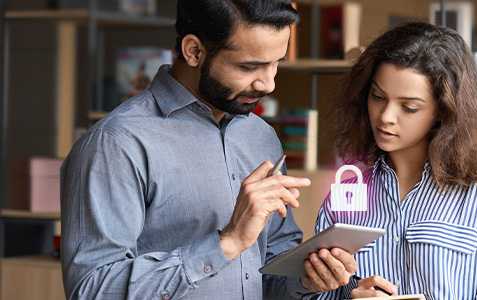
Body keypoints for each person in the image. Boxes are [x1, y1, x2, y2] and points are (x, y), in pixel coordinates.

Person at [60, 1, 357, 299]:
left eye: (276, 62)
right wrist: (226, 243)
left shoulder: (260, 136)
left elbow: (269, 273)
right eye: (249, 66)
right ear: (193, 51)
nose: (268, 83)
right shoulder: (115, 144)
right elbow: (91, 290)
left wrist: (307, 279)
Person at [314, 22, 477, 299]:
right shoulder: (346, 190)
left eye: (409, 107)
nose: (386, 116)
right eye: (378, 96)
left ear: (442, 110)